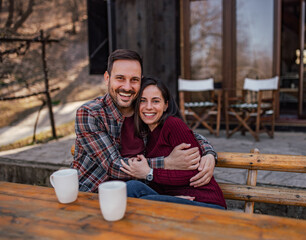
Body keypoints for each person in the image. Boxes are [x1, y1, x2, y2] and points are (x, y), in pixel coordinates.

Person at [71, 49, 217, 193]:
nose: (127, 87)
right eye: (120, 78)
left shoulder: (144, 110)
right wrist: (167, 163)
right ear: (107, 78)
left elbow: (188, 134)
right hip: (92, 195)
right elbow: (114, 166)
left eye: (134, 80)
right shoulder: (90, 113)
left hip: (139, 195)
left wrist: (209, 153)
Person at [120, 77, 226, 209]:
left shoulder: (173, 125)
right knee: (131, 187)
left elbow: (194, 173)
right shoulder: (145, 135)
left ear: (166, 105)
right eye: (142, 101)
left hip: (205, 202)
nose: (148, 107)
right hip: (178, 200)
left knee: (143, 202)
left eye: (155, 101)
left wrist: (150, 173)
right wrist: (169, 198)